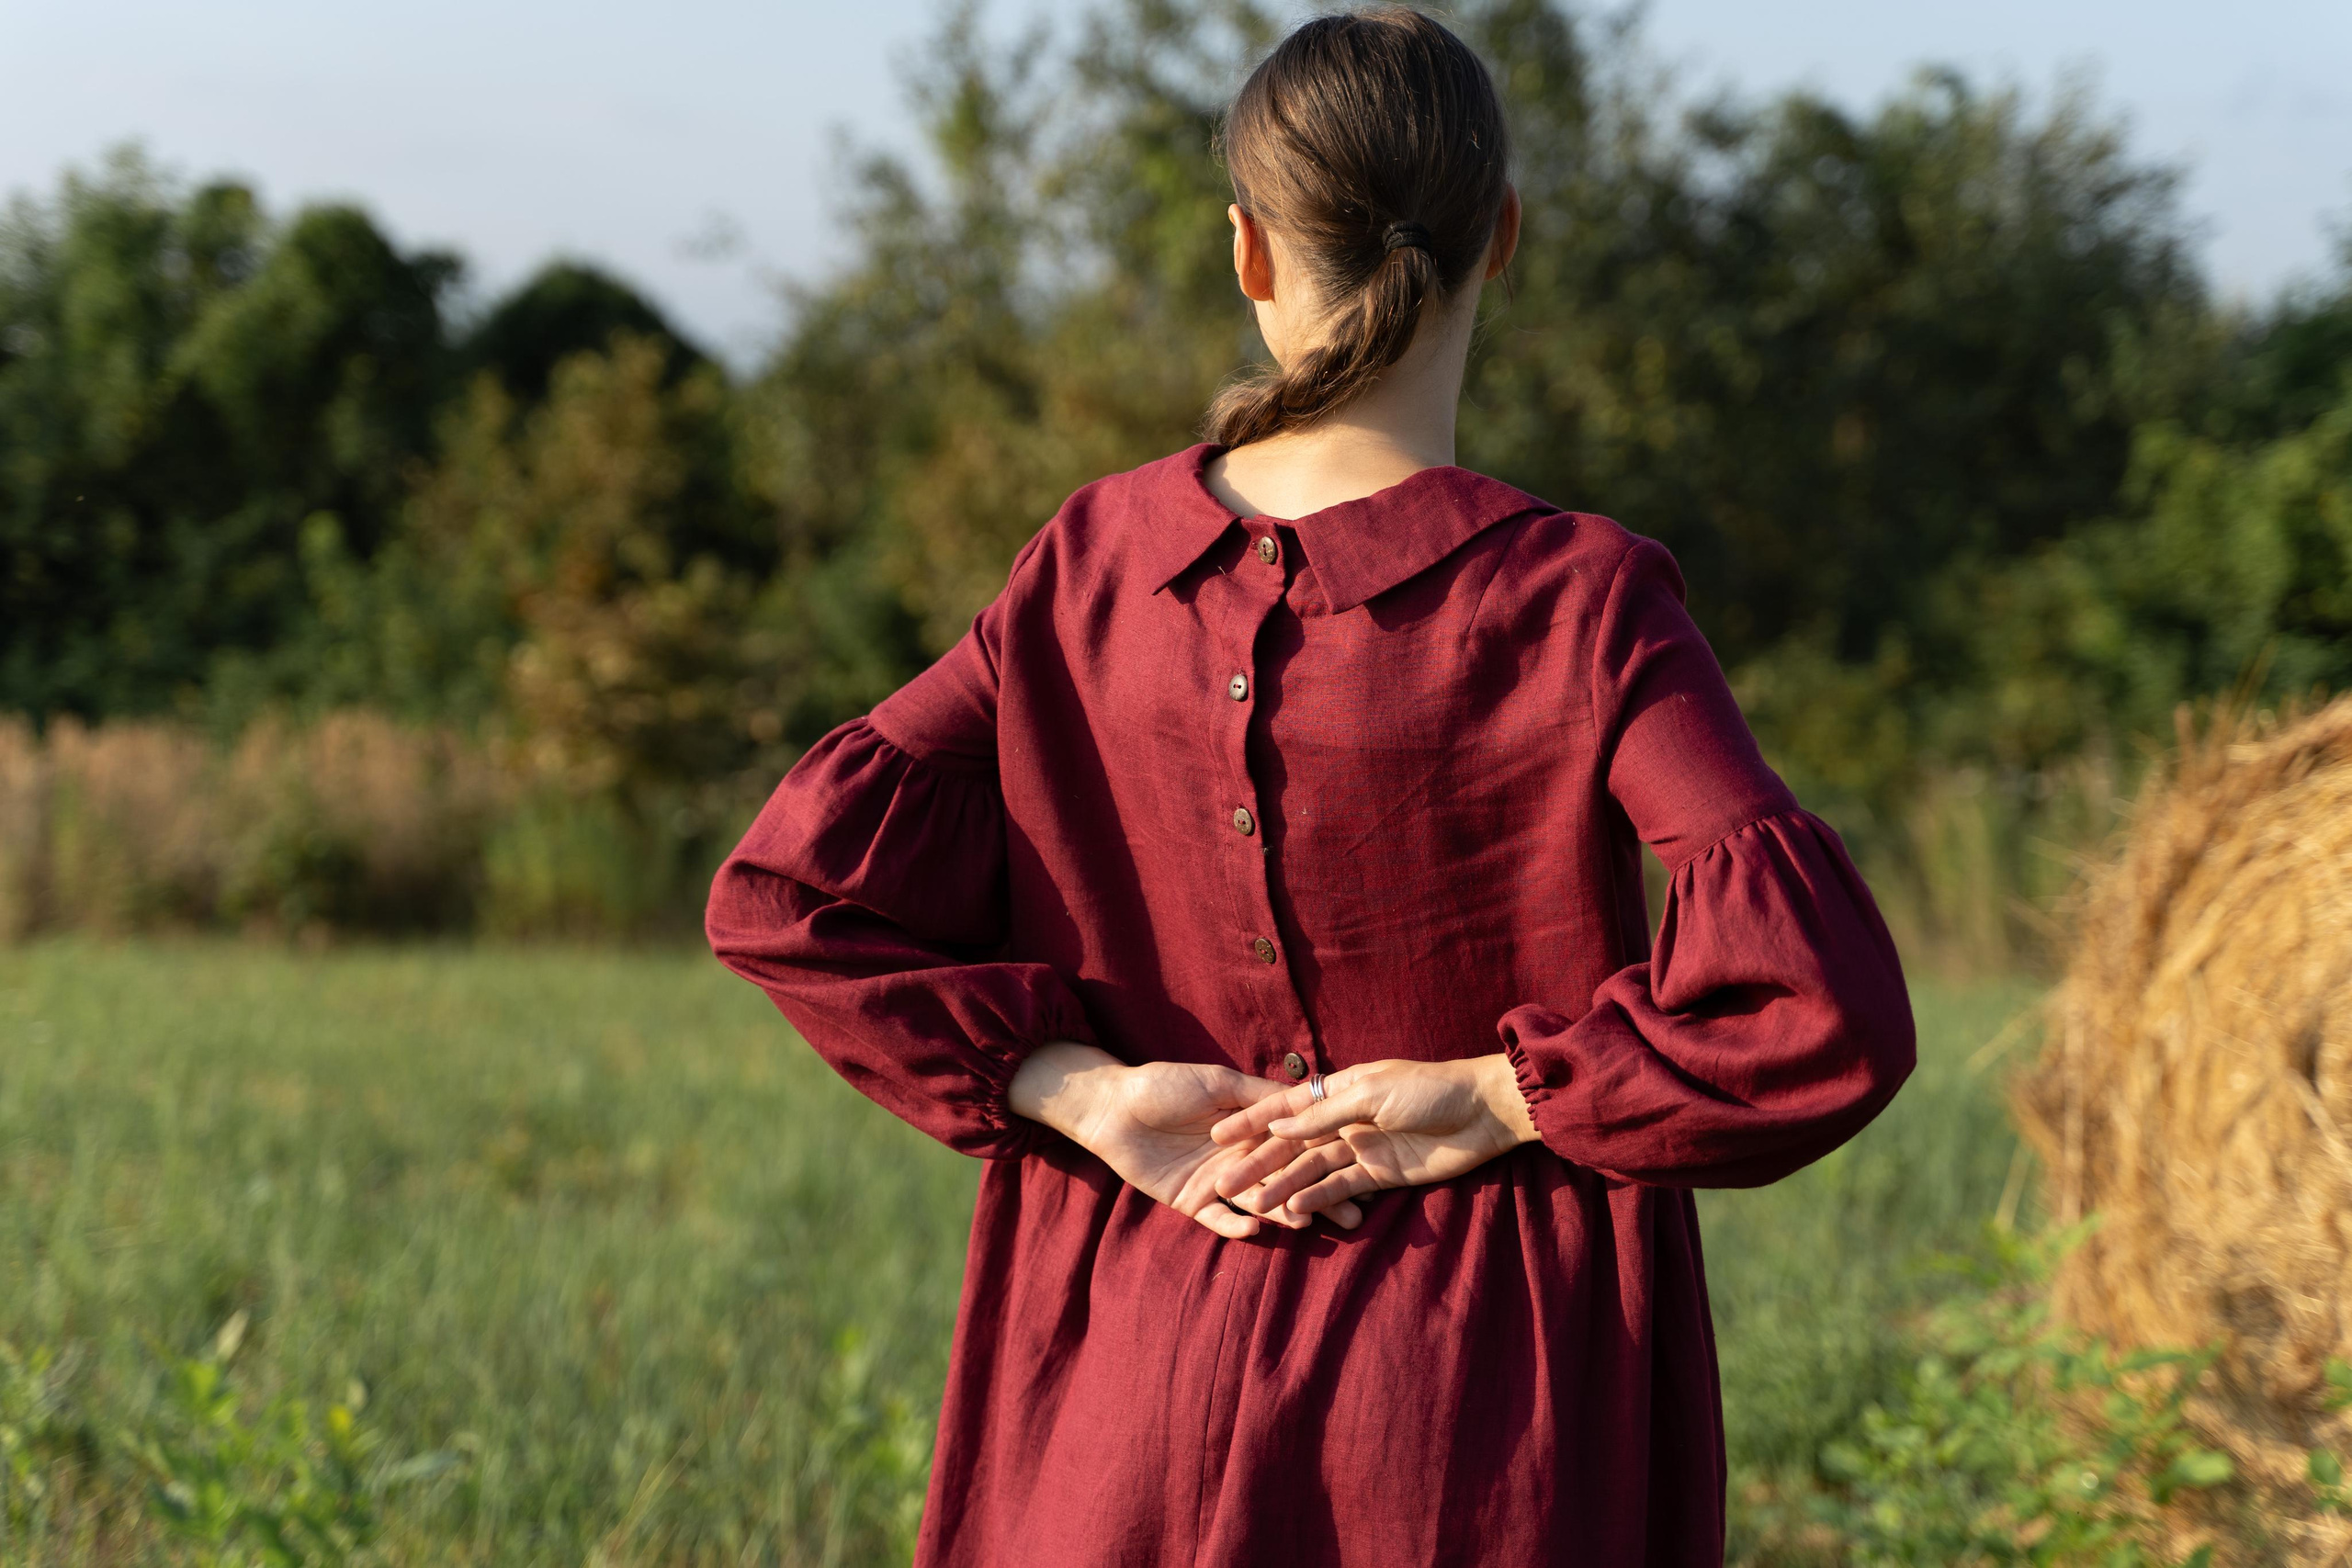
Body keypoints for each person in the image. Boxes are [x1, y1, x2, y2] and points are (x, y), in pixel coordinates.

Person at [707, 8, 1916, 1564]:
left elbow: (788, 894)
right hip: (1477, 1416)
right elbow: (1823, 1007)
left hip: (1113, 1380)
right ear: (1506, 241)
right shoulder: (1580, 601)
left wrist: (1084, 1095)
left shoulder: (1089, 566)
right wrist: (1491, 1100)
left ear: (1248, 252)